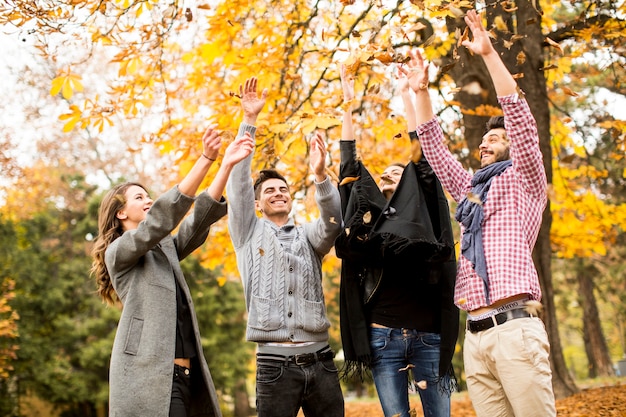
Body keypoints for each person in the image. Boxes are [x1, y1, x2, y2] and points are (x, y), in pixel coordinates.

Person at [403, 9, 556, 417]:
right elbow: (434, 149)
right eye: (483, 139)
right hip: (476, 337)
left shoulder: (525, 179)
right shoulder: (471, 190)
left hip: (514, 331)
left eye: (494, 138)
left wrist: (488, 53)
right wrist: (421, 93)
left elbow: (520, 120)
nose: (484, 144)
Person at [90, 125, 255, 417]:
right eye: (139, 198)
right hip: (150, 381)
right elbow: (161, 219)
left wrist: (226, 165)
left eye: (147, 195)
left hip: (186, 378)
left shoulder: (164, 251)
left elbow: (196, 224)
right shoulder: (118, 254)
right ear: (121, 213)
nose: (148, 201)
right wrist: (205, 159)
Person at [334, 63, 459, 417]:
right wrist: (347, 103)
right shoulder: (366, 225)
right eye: (384, 173)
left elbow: (423, 161)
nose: (390, 173)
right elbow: (348, 170)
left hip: (428, 336)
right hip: (382, 337)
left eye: (397, 172)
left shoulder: (423, 222)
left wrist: (407, 96)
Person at [225, 77, 344, 417]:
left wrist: (321, 176)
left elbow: (334, 221)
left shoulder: (309, 236)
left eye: (284, 190)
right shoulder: (248, 232)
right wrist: (248, 123)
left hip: (322, 363)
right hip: (274, 368)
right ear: (258, 204)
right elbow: (237, 190)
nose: (278, 193)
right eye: (270, 191)